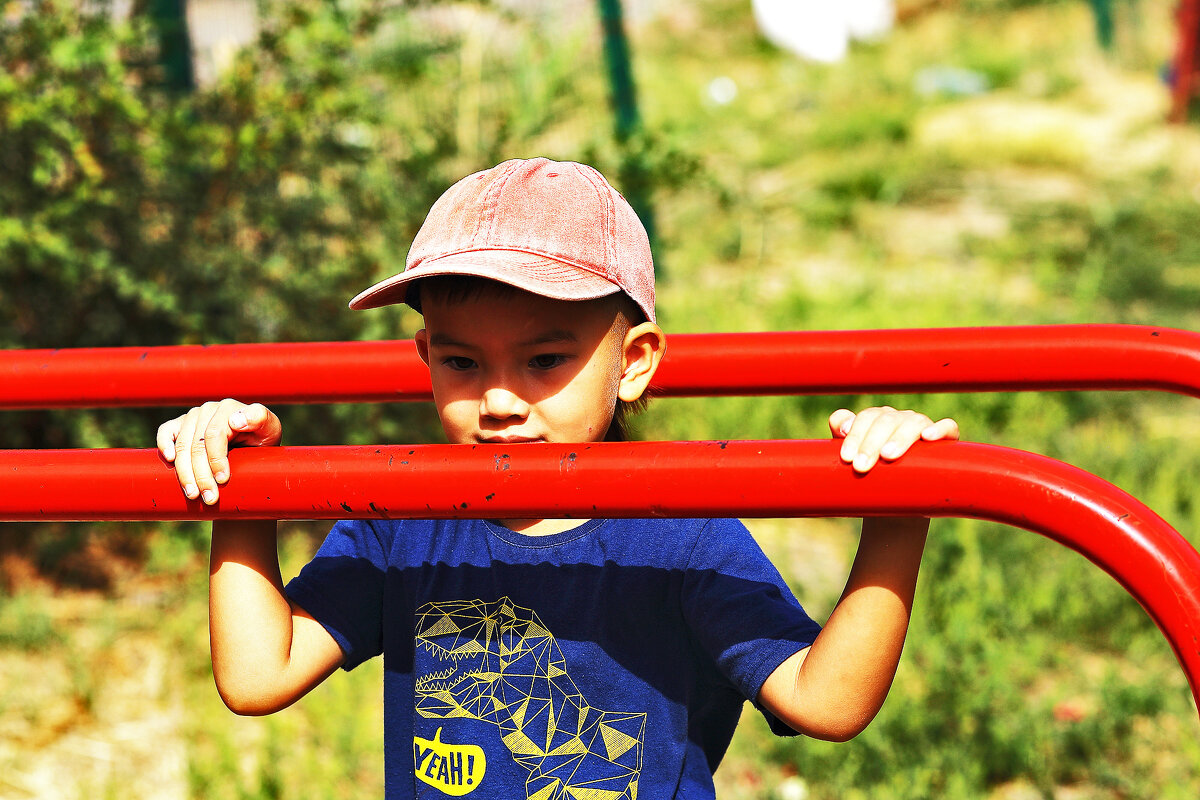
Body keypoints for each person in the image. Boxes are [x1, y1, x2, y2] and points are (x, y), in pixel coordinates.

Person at [156, 157, 959, 799]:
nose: (500, 399)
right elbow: (259, 675)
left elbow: (828, 702)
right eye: (462, 362)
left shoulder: (679, 530)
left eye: (545, 361)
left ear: (634, 363)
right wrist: (241, 482)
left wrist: (898, 509)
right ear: (425, 358)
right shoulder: (402, 516)